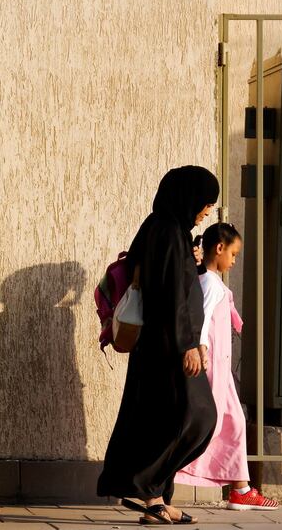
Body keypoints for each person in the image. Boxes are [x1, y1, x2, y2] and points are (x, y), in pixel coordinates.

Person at [98, 165, 220, 525]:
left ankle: (154, 497)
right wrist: (188, 345)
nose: (207, 211)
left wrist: (194, 265)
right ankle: (147, 489)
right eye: (205, 203)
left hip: (170, 345)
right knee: (196, 416)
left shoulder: (172, 230)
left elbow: (175, 281)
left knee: (168, 419)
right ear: (188, 196)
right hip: (168, 347)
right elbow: (167, 294)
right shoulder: (166, 230)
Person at [175, 223, 279, 510]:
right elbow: (202, 317)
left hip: (220, 370)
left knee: (232, 424)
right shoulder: (209, 282)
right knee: (217, 424)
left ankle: (240, 488)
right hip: (212, 369)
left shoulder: (211, 281)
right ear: (219, 248)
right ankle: (238, 488)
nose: (234, 261)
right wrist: (201, 348)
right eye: (233, 254)